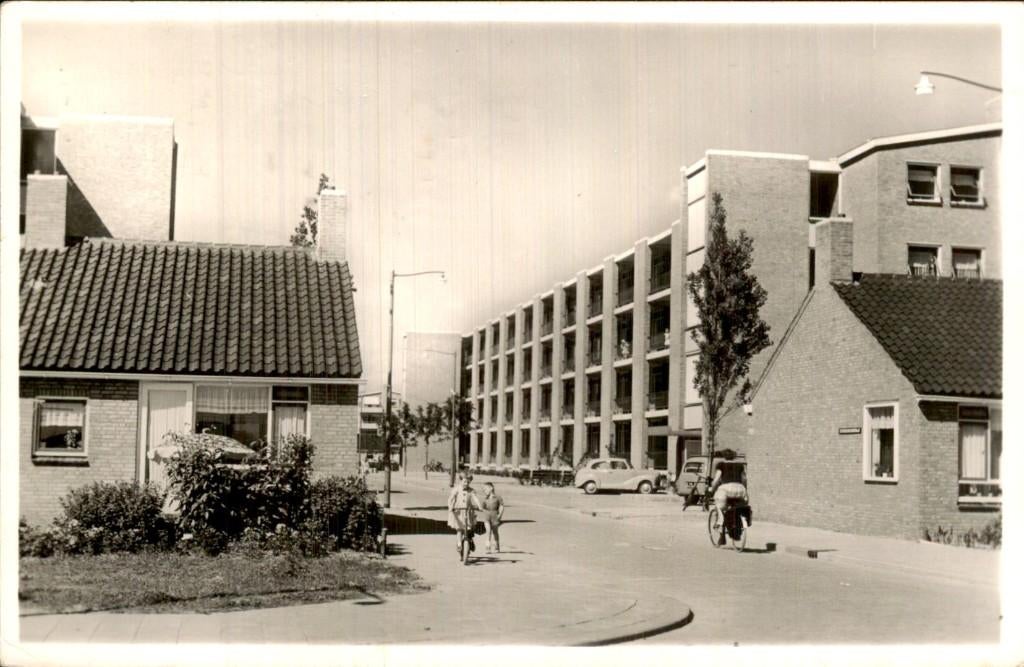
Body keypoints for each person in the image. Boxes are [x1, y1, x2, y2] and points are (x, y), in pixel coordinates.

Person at [708, 448, 748, 544]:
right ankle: (737, 527)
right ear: (734, 456)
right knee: (740, 508)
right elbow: (744, 479)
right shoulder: (740, 465)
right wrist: (744, 489)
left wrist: (711, 488)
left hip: (726, 489)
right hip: (740, 489)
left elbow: (717, 479)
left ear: (724, 456)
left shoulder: (721, 465)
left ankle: (721, 532)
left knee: (719, 507)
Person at [447, 473, 483, 554]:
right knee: (459, 529)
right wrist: (450, 506)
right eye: (464, 481)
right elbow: (451, 498)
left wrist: (479, 506)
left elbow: (475, 499)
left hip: (468, 512)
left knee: (469, 528)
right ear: (460, 481)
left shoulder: (471, 490)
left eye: (468, 482)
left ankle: (470, 540)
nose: (466, 484)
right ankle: (459, 544)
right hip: (458, 512)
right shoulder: (456, 489)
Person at [479, 482, 505, 553]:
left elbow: (502, 506)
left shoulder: (498, 497)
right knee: (488, 532)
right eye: (483, 490)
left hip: (495, 516)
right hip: (487, 517)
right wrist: (482, 509)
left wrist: (500, 515)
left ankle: (497, 546)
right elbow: (482, 507)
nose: (484, 491)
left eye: (485, 489)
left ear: (491, 488)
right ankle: (488, 547)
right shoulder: (485, 498)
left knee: (495, 532)